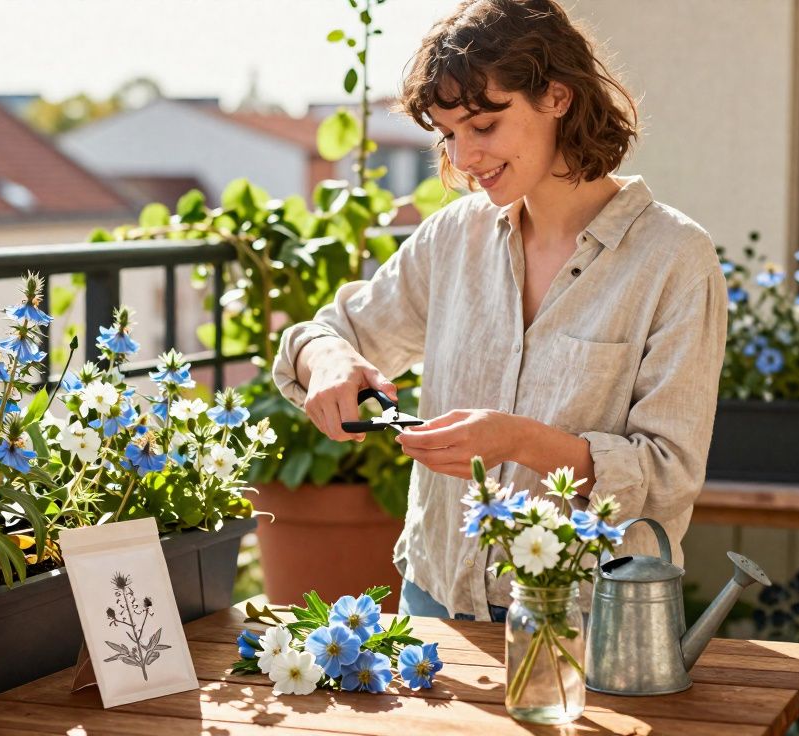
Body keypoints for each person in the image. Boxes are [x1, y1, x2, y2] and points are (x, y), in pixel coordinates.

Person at [271, 0, 727, 622]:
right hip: (434, 602)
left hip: (587, 621)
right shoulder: (453, 237)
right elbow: (331, 332)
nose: (462, 159)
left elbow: (668, 476)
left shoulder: (675, 259)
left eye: (482, 127)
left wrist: (524, 444)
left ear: (558, 98)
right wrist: (325, 358)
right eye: (448, 134)